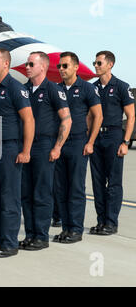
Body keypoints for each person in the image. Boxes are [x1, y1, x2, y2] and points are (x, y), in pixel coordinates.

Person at [0, 48, 34, 257]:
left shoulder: (15, 88)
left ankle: (10, 243)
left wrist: (26, 150)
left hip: (9, 148)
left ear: (6, 64)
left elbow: (29, 119)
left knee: (9, 197)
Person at [19, 51, 72, 251]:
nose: (27, 67)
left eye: (31, 64)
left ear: (43, 67)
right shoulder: (23, 90)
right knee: (26, 193)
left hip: (43, 145)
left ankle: (41, 237)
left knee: (41, 193)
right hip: (25, 146)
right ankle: (30, 234)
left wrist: (57, 147)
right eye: (27, 63)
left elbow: (67, 119)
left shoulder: (52, 90)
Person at [53, 52, 103, 243]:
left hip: (77, 143)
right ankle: (66, 228)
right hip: (59, 144)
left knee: (75, 188)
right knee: (60, 188)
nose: (61, 70)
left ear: (75, 67)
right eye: (59, 66)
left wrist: (90, 142)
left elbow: (98, 115)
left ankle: (75, 229)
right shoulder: (56, 89)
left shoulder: (87, 89)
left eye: (65, 66)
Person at [89, 50, 135, 235]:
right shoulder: (92, 88)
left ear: (110, 64)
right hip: (96, 137)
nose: (96, 66)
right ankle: (101, 221)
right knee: (97, 181)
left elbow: (131, 116)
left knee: (113, 182)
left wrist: (125, 142)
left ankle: (111, 222)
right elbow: (89, 116)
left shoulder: (122, 87)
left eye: (99, 63)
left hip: (114, 136)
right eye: (95, 62)